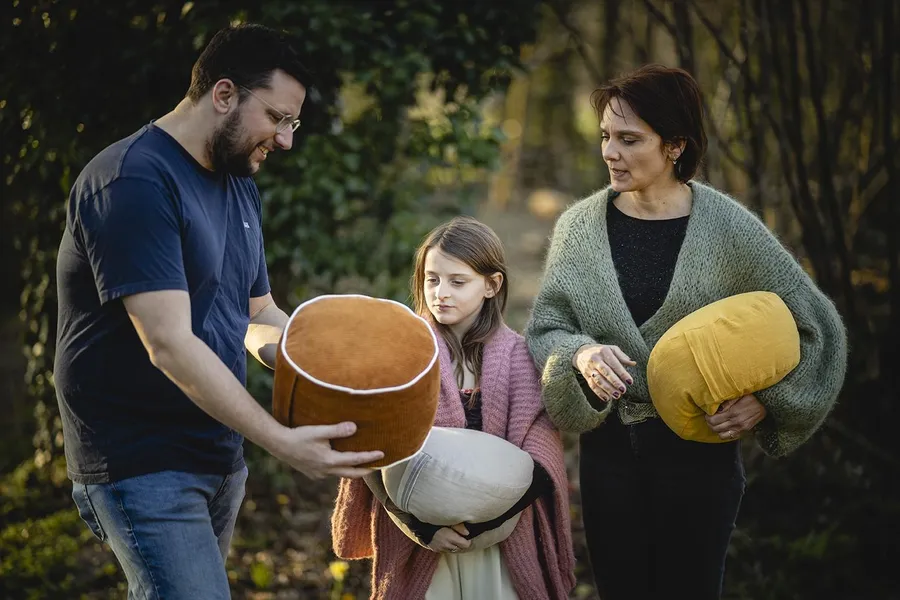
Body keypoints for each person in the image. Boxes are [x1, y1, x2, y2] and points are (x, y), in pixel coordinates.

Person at [54, 23, 383, 599]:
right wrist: (281, 441)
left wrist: (345, 368)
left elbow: (255, 313)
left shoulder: (236, 182)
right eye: (278, 118)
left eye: (293, 123)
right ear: (224, 94)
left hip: (216, 452)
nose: (285, 140)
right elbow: (170, 344)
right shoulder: (133, 181)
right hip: (141, 458)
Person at [524, 64, 848, 600]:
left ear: (675, 144)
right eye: (606, 136)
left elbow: (818, 327)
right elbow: (547, 330)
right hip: (609, 459)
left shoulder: (728, 228)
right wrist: (580, 356)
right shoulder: (578, 229)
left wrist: (769, 400)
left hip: (701, 461)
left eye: (629, 139)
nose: (610, 152)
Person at [331, 216, 576, 599]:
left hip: (500, 541)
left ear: (491, 285)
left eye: (457, 282)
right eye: (432, 279)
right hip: (420, 541)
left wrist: (485, 525)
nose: (440, 293)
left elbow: (542, 453)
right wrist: (422, 529)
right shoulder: (403, 353)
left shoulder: (520, 358)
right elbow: (371, 448)